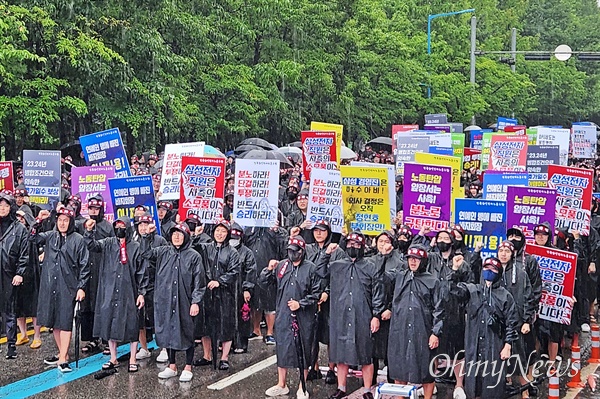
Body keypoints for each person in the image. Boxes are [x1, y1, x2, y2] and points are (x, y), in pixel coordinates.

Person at [318, 231, 385, 399]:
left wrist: (376, 315)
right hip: (340, 315)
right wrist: (326, 254)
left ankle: (367, 389)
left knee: (365, 354)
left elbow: (378, 293)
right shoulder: (337, 264)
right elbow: (319, 271)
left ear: (362, 247)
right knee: (341, 354)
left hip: (363, 315)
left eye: (356, 245)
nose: (352, 247)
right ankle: (341, 387)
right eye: (349, 244)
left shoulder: (371, 266)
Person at [84, 216, 148, 373]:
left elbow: (142, 271)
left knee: (132, 324)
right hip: (109, 289)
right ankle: (113, 357)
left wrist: (141, 292)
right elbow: (91, 245)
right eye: (117, 226)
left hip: (129, 290)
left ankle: (133, 358)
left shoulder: (135, 247)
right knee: (109, 322)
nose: (120, 229)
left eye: (122, 226)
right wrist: (89, 231)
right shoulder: (108, 243)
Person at [144, 222, 206, 382]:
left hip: (185, 300)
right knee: (168, 332)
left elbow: (199, 282)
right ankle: (172, 365)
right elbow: (145, 254)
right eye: (174, 234)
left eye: (180, 234)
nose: (176, 237)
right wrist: (147, 236)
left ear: (186, 236)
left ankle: (188, 365)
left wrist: (195, 301)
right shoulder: (163, 252)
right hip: (165, 299)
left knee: (187, 330)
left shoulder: (194, 256)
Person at [450, 257, 519, 399]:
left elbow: (512, 323)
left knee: (492, 385)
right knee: (473, 386)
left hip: (494, 345)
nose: (489, 271)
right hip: (473, 346)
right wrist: (455, 270)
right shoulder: (473, 290)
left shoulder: (505, 296)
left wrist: (507, 346)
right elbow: (452, 290)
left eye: (493, 269)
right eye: (486, 268)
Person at [261, 236, 321, 399]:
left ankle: (303, 385)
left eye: (295, 251)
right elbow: (265, 283)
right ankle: (282, 383)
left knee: (303, 348)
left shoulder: (311, 268)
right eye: (290, 251)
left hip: (304, 316)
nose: (292, 254)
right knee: (283, 348)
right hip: (283, 314)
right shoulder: (282, 266)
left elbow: (316, 294)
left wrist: (300, 304)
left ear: (301, 252)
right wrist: (268, 270)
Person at [32, 207, 89, 372]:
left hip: (68, 286)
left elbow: (84, 265)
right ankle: (62, 353)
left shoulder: (78, 240)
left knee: (65, 321)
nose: (62, 223)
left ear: (71, 222)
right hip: (50, 286)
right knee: (54, 321)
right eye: (60, 220)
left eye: (66, 220)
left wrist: (81, 287)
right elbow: (32, 238)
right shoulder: (51, 236)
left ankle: (63, 358)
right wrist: (38, 221)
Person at [387, 245, 444, 399]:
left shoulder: (432, 281)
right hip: (400, 328)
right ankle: (401, 397)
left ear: (423, 261)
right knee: (399, 368)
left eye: (416, 259)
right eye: (410, 258)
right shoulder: (399, 276)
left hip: (423, 329)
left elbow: (439, 309)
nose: (413, 262)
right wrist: (385, 255)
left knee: (426, 370)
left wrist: (435, 333)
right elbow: (380, 280)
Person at [193, 219, 240, 370]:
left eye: (223, 231)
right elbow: (192, 248)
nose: (220, 234)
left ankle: (224, 357)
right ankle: (207, 355)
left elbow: (234, 271)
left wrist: (220, 281)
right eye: (217, 231)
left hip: (225, 294)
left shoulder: (232, 252)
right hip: (207, 292)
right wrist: (196, 235)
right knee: (205, 325)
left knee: (225, 325)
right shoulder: (206, 248)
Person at [304, 220, 347, 384]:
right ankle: (314, 367)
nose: (318, 233)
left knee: (330, 335)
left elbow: (338, 274)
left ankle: (331, 368)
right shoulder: (308, 249)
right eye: (316, 231)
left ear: (328, 232)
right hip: (311, 297)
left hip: (331, 298)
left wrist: (327, 292)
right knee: (311, 334)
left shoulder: (337, 250)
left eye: (322, 230)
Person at [496, 240, 537, 399]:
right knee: (498, 358)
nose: (504, 254)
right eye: (501, 251)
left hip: (517, 322)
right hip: (498, 323)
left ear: (512, 253)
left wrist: (527, 320)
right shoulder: (492, 271)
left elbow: (529, 297)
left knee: (520, 359)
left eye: (507, 251)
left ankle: (525, 392)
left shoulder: (520, 272)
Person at [80, 194, 114, 355]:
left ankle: (107, 339)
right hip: (86, 268)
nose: (94, 211)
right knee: (87, 306)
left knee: (103, 304)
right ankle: (91, 338)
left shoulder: (108, 227)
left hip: (103, 268)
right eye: (91, 208)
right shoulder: (82, 225)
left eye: (97, 209)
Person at [245, 224, 288, 344]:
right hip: (253, 268)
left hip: (270, 267)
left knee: (270, 303)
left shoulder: (276, 230)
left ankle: (270, 333)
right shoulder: (250, 228)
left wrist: (276, 230)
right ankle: (256, 329)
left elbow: (283, 244)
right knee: (255, 302)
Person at [134, 213, 169, 362]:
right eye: (140, 225)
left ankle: (165, 348)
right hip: (139, 284)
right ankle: (144, 348)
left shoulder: (160, 241)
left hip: (157, 283)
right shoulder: (134, 242)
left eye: (145, 224)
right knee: (140, 319)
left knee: (158, 318)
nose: (143, 228)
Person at [0, 193, 30, 360]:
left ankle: (11, 345)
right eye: (0, 206)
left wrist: (20, 272)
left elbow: (24, 254)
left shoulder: (19, 229)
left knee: (10, 310)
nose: (2, 209)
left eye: (5, 206)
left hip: (10, 273)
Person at [14, 206, 43, 349]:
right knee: (19, 306)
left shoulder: (31, 232)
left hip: (31, 271)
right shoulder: (13, 232)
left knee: (33, 305)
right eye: (17, 217)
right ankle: (23, 334)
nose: (19, 220)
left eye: (22, 217)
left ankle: (37, 336)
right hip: (17, 272)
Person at [229, 222, 257, 354]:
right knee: (227, 317)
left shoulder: (247, 253)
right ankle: (227, 342)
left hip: (241, 289)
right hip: (227, 289)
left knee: (243, 317)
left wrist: (247, 288)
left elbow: (251, 271)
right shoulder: (224, 250)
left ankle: (241, 343)